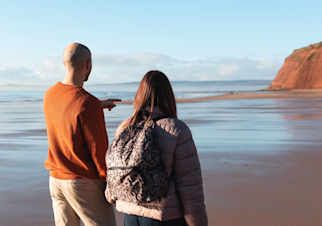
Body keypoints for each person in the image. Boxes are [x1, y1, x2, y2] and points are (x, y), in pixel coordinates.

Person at [105, 70, 208, 226]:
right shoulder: (176, 129)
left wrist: (110, 195)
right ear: (168, 96)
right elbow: (189, 187)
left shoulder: (125, 127)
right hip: (164, 217)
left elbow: (115, 168)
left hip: (130, 214)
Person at [43, 43, 120, 226]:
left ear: (64, 63)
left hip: (55, 179)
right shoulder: (87, 103)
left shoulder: (49, 94)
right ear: (89, 65)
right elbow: (99, 150)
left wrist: (96, 105)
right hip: (82, 182)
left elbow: (66, 110)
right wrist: (109, 184)